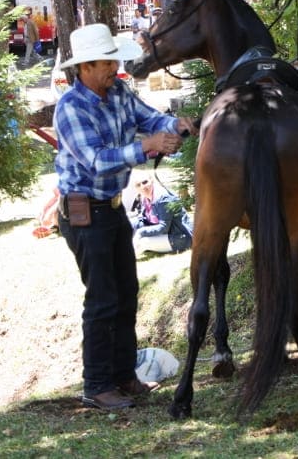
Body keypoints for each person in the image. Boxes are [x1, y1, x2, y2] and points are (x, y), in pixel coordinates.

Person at [53, 23, 197, 410]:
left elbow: (150, 119)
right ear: (84, 68)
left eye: (114, 61)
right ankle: (97, 384)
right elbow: (98, 160)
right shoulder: (70, 107)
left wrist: (174, 126)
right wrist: (147, 148)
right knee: (102, 299)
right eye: (106, 63)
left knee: (125, 294)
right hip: (85, 212)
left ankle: (122, 376)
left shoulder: (117, 91)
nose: (113, 69)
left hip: (111, 209)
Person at [129, 172, 193, 255]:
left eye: (145, 182)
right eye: (138, 185)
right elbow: (143, 219)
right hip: (165, 234)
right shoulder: (145, 197)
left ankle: (124, 264)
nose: (142, 186)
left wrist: (141, 232)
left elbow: (164, 227)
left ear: (152, 180)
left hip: (180, 237)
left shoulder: (163, 198)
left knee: (143, 242)